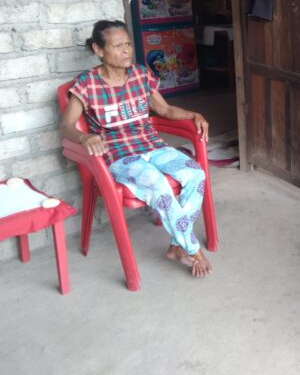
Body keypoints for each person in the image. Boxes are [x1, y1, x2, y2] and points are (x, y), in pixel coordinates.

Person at [59, 20, 213, 278]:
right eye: (118, 46)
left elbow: (164, 110)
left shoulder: (141, 75)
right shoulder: (87, 83)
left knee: (196, 174)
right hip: (121, 156)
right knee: (157, 183)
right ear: (98, 50)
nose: (126, 50)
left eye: (128, 44)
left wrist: (194, 114)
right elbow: (65, 126)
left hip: (152, 145)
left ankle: (178, 245)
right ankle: (192, 249)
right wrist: (84, 138)